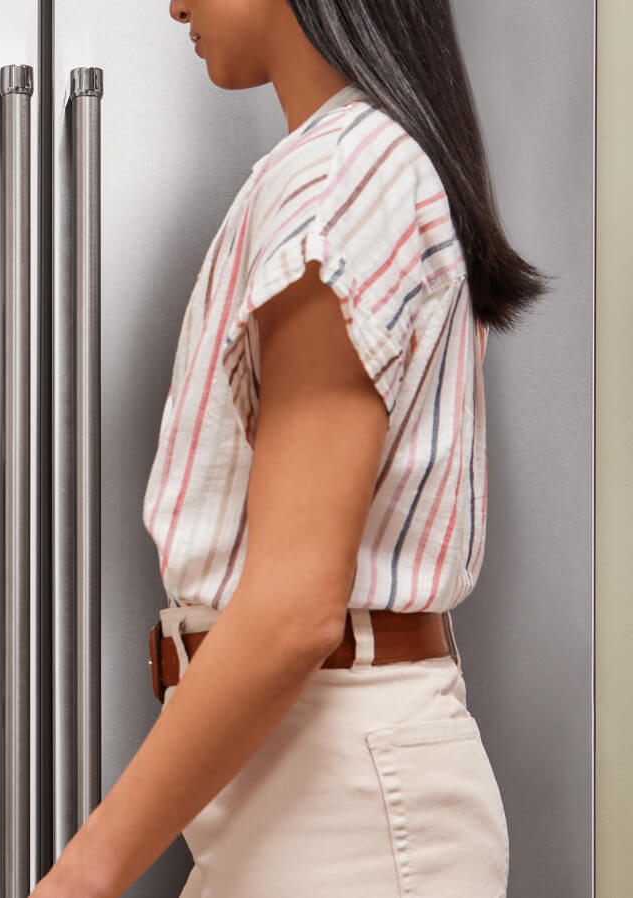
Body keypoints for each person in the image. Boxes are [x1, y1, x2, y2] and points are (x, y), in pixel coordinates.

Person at [29, 1, 545, 896]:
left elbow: (292, 610)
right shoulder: (349, 165)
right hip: (309, 785)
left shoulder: (340, 181)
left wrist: (81, 877)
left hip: (341, 801)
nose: (173, 3)